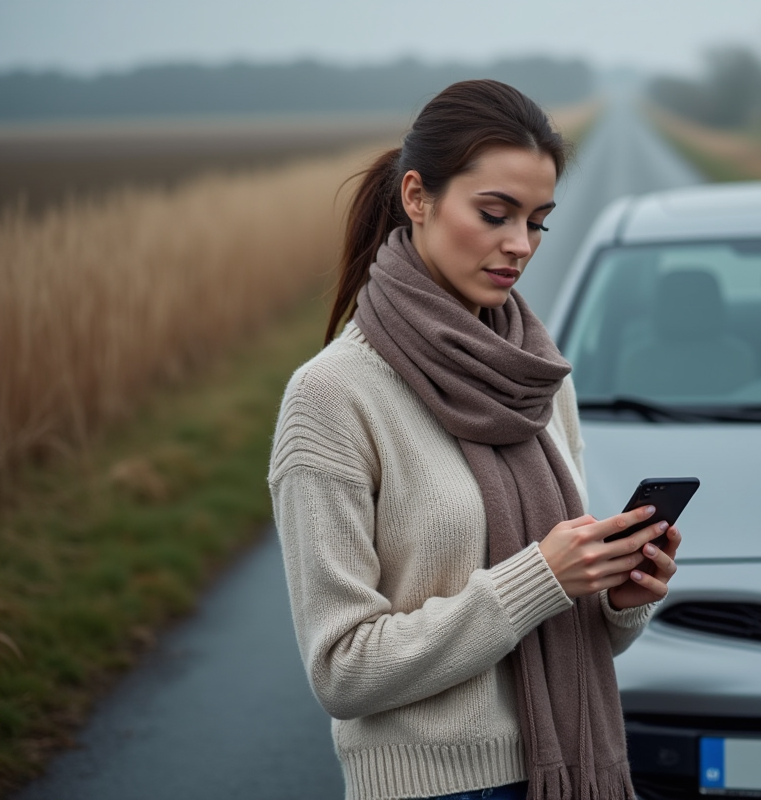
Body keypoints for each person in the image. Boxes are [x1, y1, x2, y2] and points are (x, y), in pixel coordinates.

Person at [268, 79, 681, 800]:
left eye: (538, 222)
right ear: (418, 197)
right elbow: (341, 669)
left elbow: (581, 634)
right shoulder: (331, 396)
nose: (519, 245)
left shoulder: (540, 377)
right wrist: (542, 577)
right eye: (495, 214)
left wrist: (619, 595)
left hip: (570, 764)